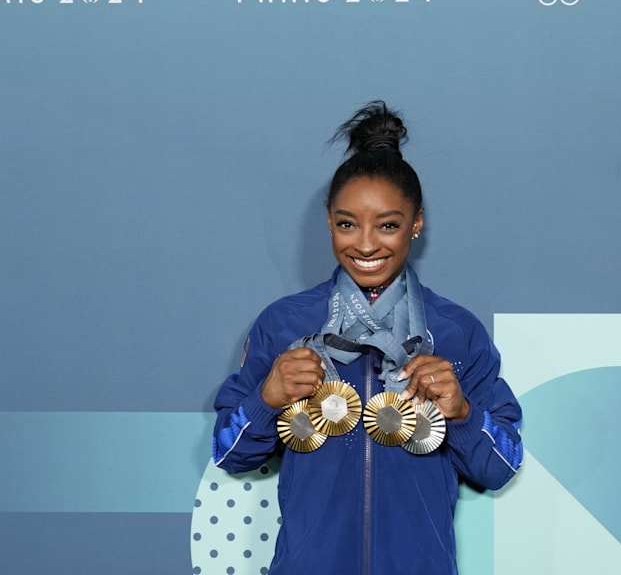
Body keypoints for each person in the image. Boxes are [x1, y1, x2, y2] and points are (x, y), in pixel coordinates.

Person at [212, 101, 523, 574]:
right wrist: (266, 398)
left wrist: (461, 412)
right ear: (329, 221)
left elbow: (501, 465)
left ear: (416, 223)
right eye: (346, 224)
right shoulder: (284, 324)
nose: (365, 244)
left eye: (389, 225)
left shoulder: (456, 332)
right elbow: (229, 453)